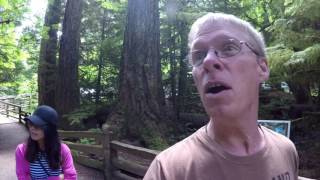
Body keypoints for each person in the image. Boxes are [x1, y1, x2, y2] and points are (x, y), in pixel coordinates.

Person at [144, 13, 299, 180]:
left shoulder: (286, 150)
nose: (208, 61)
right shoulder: (168, 171)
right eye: (199, 55)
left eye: (229, 48)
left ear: (261, 68)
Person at [16, 105, 77, 180]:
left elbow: (71, 176)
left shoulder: (63, 150)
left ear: (50, 129)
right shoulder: (22, 150)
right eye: (31, 123)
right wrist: (59, 178)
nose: (32, 128)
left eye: (37, 125)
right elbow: (22, 177)